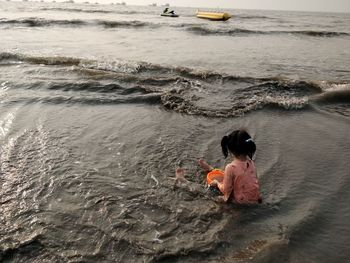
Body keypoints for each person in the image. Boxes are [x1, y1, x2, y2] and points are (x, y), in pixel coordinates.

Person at [199, 129, 262, 204]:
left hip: (240, 201)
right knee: (231, 177)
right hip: (256, 198)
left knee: (207, 194)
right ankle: (211, 169)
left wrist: (217, 183)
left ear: (231, 150)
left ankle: (184, 182)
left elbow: (225, 190)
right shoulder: (251, 163)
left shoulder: (231, 167)